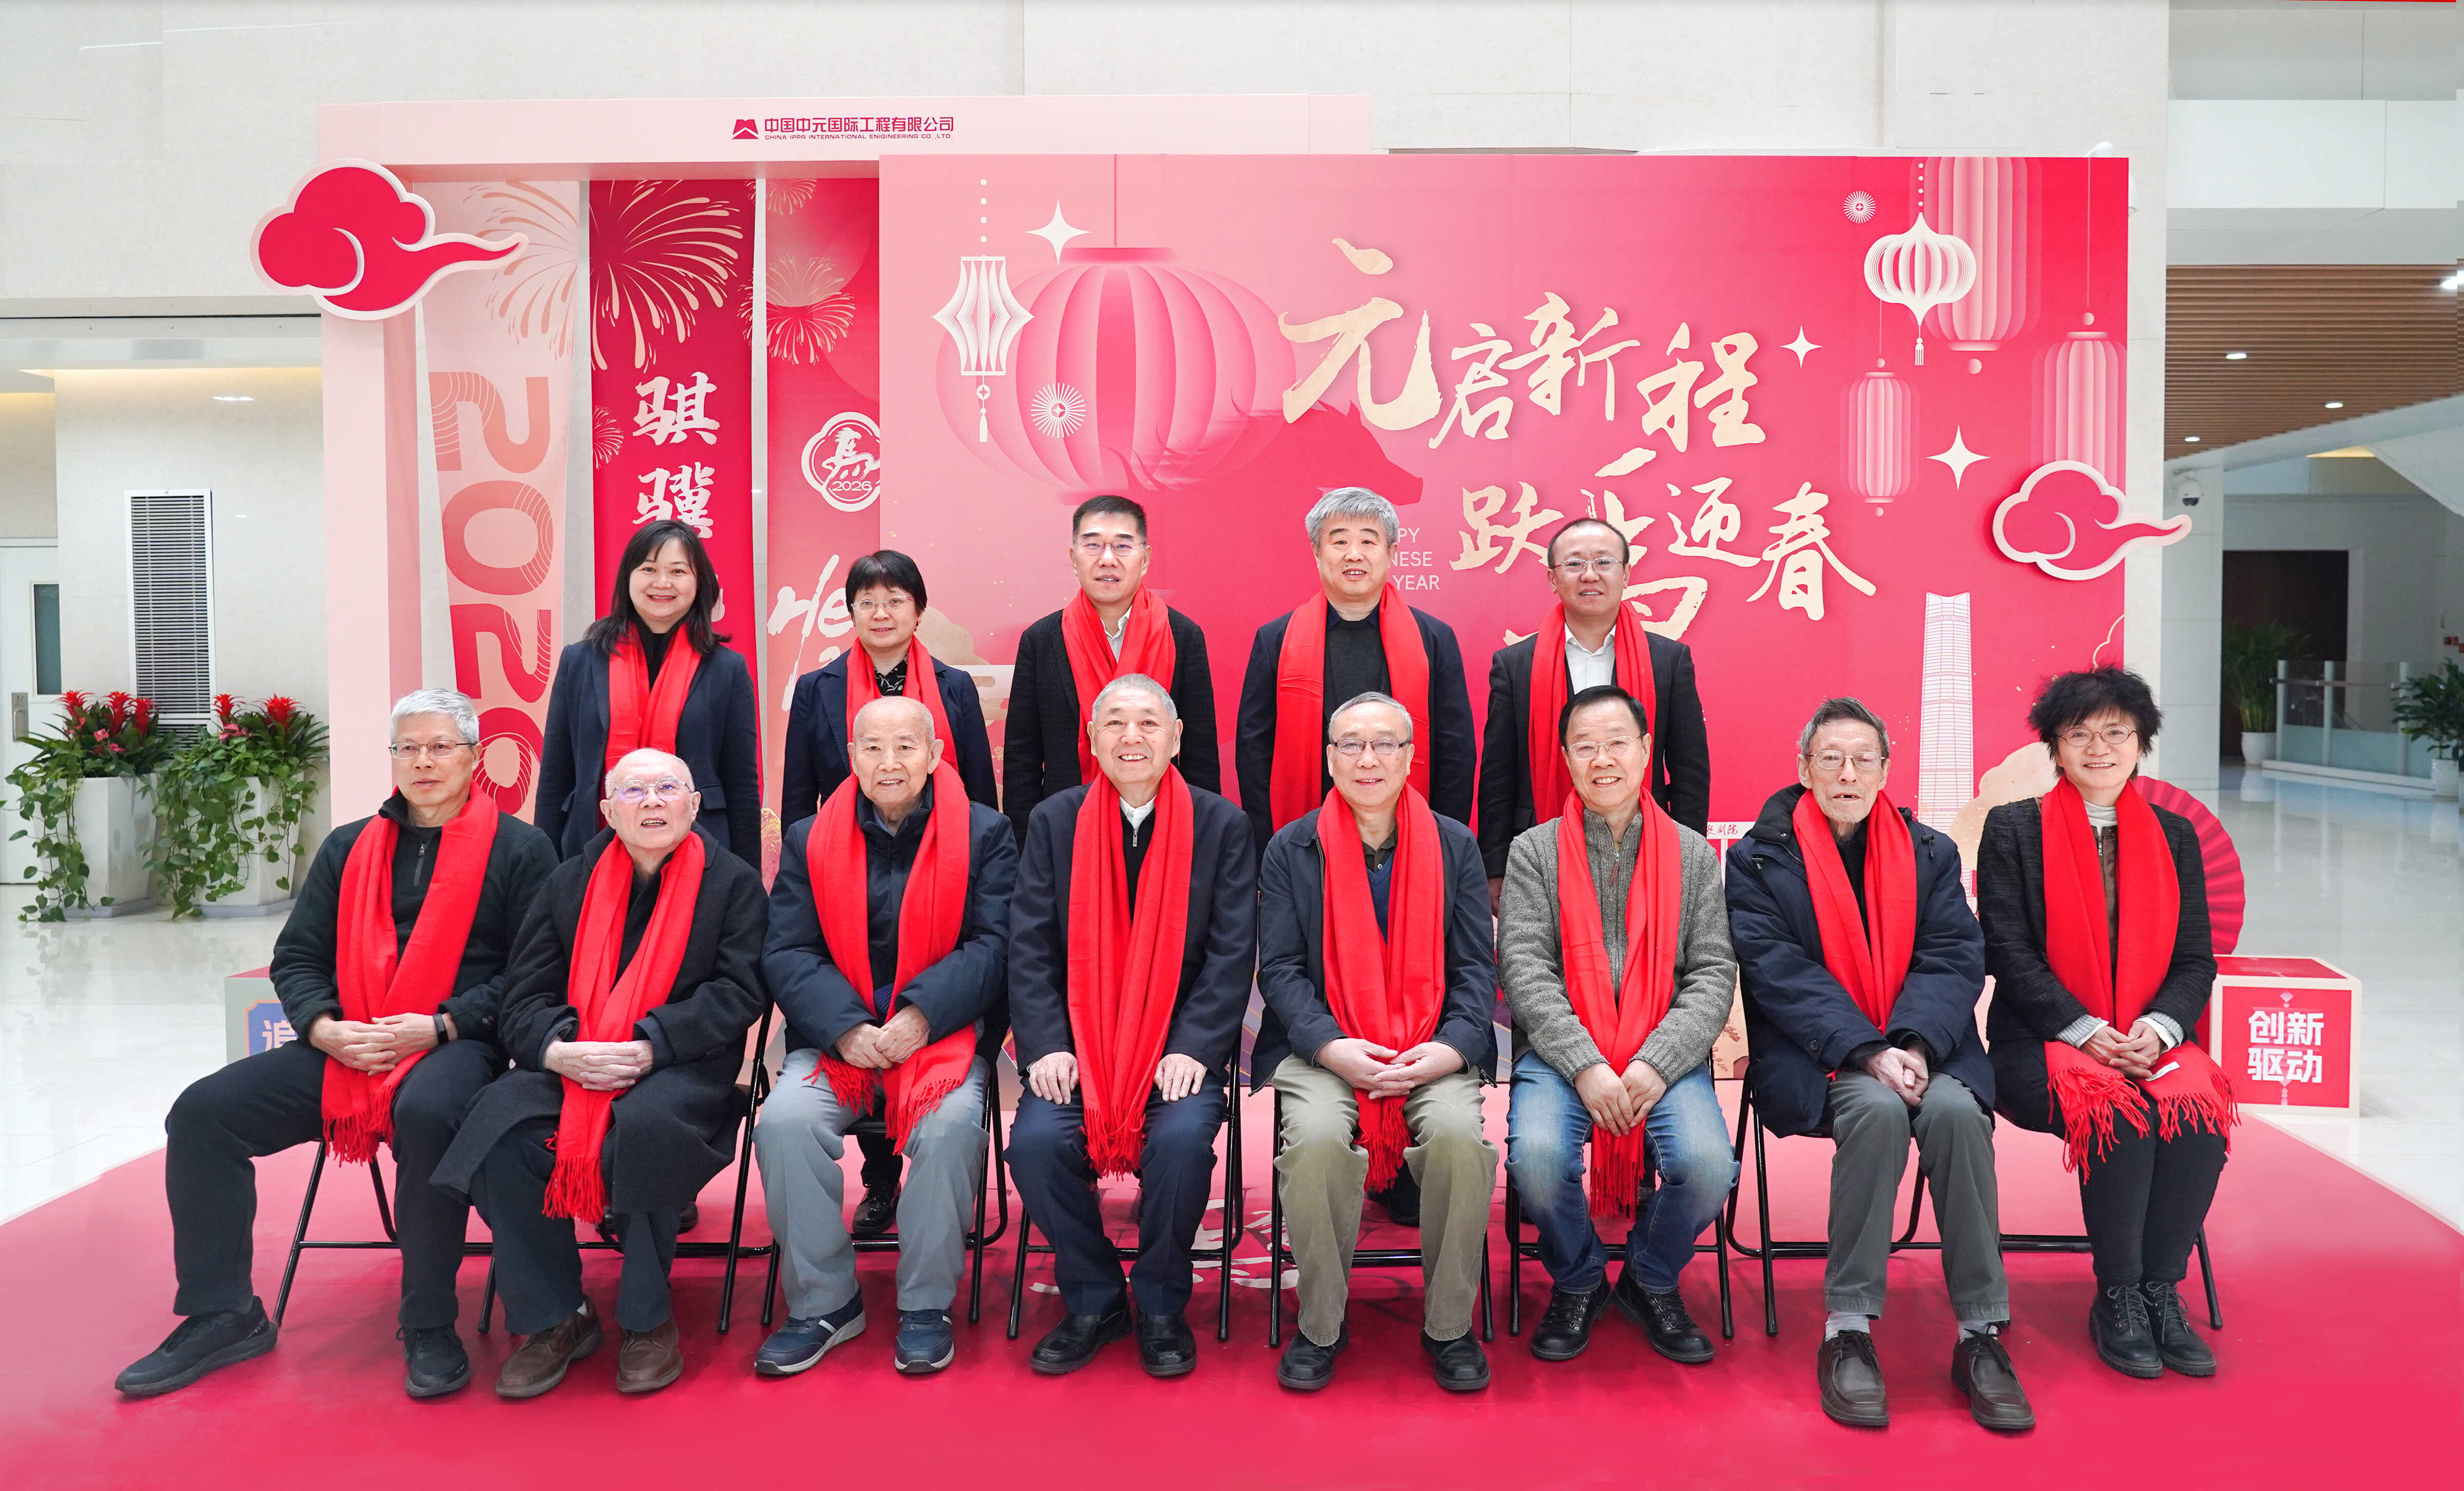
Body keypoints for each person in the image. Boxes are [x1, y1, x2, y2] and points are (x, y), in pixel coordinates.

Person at [113, 691, 556, 1401]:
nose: (423, 761)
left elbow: (533, 974)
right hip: (346, 1041)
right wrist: (323, 1028)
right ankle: (223, 1313)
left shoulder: (522, 850)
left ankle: (429, 1322)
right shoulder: (350, 846)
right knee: (202, 1114)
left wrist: (440, 1025)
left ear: (474, 758)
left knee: (428, 1112)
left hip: (455, 1041)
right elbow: (297, 957)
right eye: (408, 748)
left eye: (440, 746)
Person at [1727, 698, 2031, 1431]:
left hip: (1929, 1047)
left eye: (1864, 760)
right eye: (1830, 758)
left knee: (1957, 1113)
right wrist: (1867, 1050)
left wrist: (1915, 1045)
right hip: (1818, 1054)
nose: (1848, 774)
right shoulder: (1759, 858)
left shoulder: (1929, 853)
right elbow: (1777, 971)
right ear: (1804, 769)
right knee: (1875, 1109)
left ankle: (1980, 1331)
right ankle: (1848, 1328)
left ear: (1886, 771)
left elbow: (1954, 956)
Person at [436, 748, 767, 1399]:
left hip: (681, 1065)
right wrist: (558, 1050)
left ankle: (647, 1320)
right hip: (574, 1058)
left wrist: (651, 1044)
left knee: (643, 1126)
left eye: (668, 788)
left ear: (695, 805)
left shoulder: (732, 884)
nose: (653, 802)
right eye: (634, 791)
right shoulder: (569, 883)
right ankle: (556, 1315)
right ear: (608, 810)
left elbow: (739, 992)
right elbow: (523, 996)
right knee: (499, 1127)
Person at [1979, 666, 2229, 1382]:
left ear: (2141, 743)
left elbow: (2195, 959)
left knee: (2198, 1115)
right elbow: (2007, 951)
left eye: (2116, 733)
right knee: (2117, 1114)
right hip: (2040, 1043)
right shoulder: (2014, 828)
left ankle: (2161, 1291)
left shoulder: (2176, 836)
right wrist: (2085, 1030)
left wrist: (2162, 1026)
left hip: (2150, 1038)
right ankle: (2118, 1294)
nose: (2099, 748)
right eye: (2079, 733)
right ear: (2054, 747)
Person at [1235, 486, 1475, 1228]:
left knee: (1411, 988)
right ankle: (1323, 1160)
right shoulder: (1278, 639)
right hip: (1308, 866)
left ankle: (1400, 1164)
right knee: (1313, 993)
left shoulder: (1432, 638)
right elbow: (1254, 748)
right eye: (1338, 539)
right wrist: (1278, 853)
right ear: (1317, 553)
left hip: (1409, 858)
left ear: (1392, 551)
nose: (1353, 552)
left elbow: (1454, 745)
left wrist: (1438, 849)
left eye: (1369, 539)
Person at [754, 697, 1015, 1378]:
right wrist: (846, 1028)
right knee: (783, 1123)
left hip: (939, 1039)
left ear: (935, 755)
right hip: (838, 1043)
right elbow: (787, 951)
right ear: (853, 757)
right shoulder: (809, 837)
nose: (889, 762)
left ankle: (926, 1305)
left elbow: (995, 947)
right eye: (873, 747)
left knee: (950, 1128)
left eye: (906, 747)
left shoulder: (986, 833)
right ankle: (824, 1304)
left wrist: (920, 1018)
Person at [1006, 675, 1257, 1379]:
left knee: (1179, 1144)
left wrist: (1195, 1046)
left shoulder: (1220, 825)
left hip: (1176, 1050)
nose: (1132, 737)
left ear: (1176, 738)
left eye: (1149, 723)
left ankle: (1161, 1302)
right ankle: (1095, 1298)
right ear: (1092, 739)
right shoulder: (1055, 822)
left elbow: (1232, 953)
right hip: (1079, 1047)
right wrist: (1047, 1046)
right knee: (1036, 1146)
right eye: (1115, 723)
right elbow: (1030, 947)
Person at [1256, 692, 1498, 1393]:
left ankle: (1449, 1325)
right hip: (1322, 1048)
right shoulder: (1292, 847)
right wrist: (1333, 1048)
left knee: (1459, 1139)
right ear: (1330, 758)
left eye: (1385, 743)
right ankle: (1320, 1326)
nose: (1369, 759)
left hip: (1433, 1046)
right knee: (1316, 1141)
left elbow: (1475, 969)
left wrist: (1452, 1049)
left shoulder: (1453, 844)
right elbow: (1281, 971)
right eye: (1351, 744)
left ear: (1410, 756)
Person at [1498, 685, 1737, 1371]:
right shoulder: (1534, 852)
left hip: (1663, 1057)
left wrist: (1657, 1062)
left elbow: (1713, 973)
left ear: (1645, 751)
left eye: (1616, 744)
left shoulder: (1692, 855)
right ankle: (1578, 1279)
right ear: (1566, 760)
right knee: (1537, 1162)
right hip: (1561, 1058)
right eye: (1585, 747)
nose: (1602, 760)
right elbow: (1524, 970)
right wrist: (1585, 1064)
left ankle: (1649, 1276)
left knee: (1706, 1168)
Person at [781, 549, 998, 1233]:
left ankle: (934, 1180)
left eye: (895, 599)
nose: (881, 613)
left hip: (942, 870)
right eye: (867, 601)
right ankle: (881, 1180)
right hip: (846, 870)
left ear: (919, 610)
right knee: (861, 999)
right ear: (850, 611)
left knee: (919, 996)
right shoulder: (817, 689)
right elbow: (798, 796)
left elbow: (980, 792)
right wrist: (813, 859)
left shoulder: (955, 688)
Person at [1478, 517, 1711, 905]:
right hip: (1541, 848)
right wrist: (1495, 867)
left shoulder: (1668, 661)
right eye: (1574, 564)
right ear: (1553, 579)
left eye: (1604, 562)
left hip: (1647, 845)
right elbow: (1498, 775)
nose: (1590, 575)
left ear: (1626, 573)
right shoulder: (1515, 665)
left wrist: (1691, 861)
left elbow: (1689, 771)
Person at [537, 520, 762, 868]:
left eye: (678, 571)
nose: (662, 583)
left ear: (700, 582)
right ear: (628, 577)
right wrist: (546, 873)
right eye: (649, 569)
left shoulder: (727, 669)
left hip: (702, 852)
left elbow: (741, 784)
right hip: (591, 845)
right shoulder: (580, 661)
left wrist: (748, 879)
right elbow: (556, 775)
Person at [1003, 494, 1221, 843]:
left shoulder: (1183, 636)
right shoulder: (1041, 641)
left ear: (1145, 559)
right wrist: (1026, 844)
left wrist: (1204, 840)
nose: (1107, 559)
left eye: (1122, 546)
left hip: (1165, 826)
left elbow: (1200, 755)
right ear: (1074, 559)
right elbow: (1022, 760)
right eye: (1093, 546)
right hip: (1067, 830)